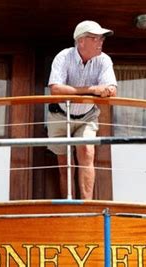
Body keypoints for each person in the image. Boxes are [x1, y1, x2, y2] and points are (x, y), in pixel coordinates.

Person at [47, 20, 118, 200]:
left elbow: (112, 90)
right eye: (95, 38)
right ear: (81, 41)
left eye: (102, 38)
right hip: (59, 115)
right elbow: (55, 89)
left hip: (87, 115)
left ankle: (87, 207)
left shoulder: (104, 60)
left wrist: (107, 90)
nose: (101, 41)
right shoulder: (63, 56)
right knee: (65, 164)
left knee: (87, 152)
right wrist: (92, 89)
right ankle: (68, 205)